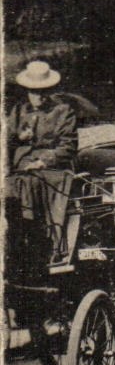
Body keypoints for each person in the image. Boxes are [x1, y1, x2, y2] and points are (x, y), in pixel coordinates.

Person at [7, 61, 81, 261]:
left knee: (30, 183)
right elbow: (6, 141)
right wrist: (18, 138)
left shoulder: (63, 111)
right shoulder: (19, 111)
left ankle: (40, 239)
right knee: (9, 185)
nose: (37, 96)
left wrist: (44, 161)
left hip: (52, 170)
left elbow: (68, 147)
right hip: (21, 168)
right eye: (33, 91)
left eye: (42, 91)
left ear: (50, 90)